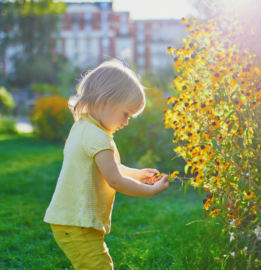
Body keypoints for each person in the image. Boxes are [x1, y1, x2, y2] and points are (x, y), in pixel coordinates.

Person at [43, 59, 169, 270]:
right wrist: (151, 191)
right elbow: (115, 180)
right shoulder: (97, 137)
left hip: (75, 221)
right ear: (104, 102)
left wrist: (137, 174)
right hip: (77, 223)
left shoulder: (85, 128)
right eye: (126, 114)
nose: (127, 122)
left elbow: (111, 169)